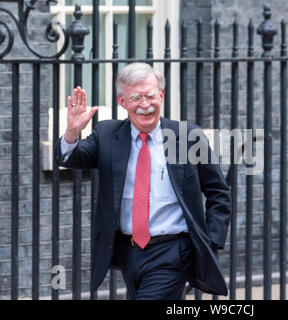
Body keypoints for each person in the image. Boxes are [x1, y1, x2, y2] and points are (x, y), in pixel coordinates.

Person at [54, 62, 231, 300]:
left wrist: (209, 243)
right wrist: (72, 132)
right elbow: (71, 158)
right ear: (122, 101)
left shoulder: (188, 137)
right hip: (129, 252)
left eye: (150, 96)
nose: (145, 105)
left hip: (174, 251)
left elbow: (218, 191)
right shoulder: (107, 135)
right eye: (136, 97)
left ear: (162, 95)